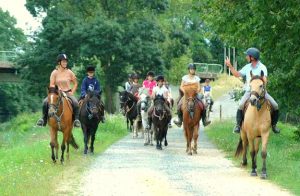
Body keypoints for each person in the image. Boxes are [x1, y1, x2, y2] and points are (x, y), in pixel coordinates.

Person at [225, 47, 280, 134]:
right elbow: (237, 74)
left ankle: (274, 125)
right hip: (249, 92)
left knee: (275, 105)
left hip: (261, 92)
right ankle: (238, 126)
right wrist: (230, 66)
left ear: (252, 57)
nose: (246, 57)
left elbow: (265, 79)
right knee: (240, 105)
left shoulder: (263, 67)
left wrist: (262, 84)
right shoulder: (247, 67)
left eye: (247, 55)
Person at [36, 53, 81, 127]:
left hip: (67, 93)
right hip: (56, 93)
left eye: (66, 61)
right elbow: (51, 84)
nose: (65, 63)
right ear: (59, 62)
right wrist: (57, 90)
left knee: (76, 103)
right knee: (45, 102)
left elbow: (75, 83)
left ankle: (76, 120)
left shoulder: (69, 72)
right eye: (63, 61)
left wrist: (72, 92)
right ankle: (43, 119)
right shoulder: (54, 72)